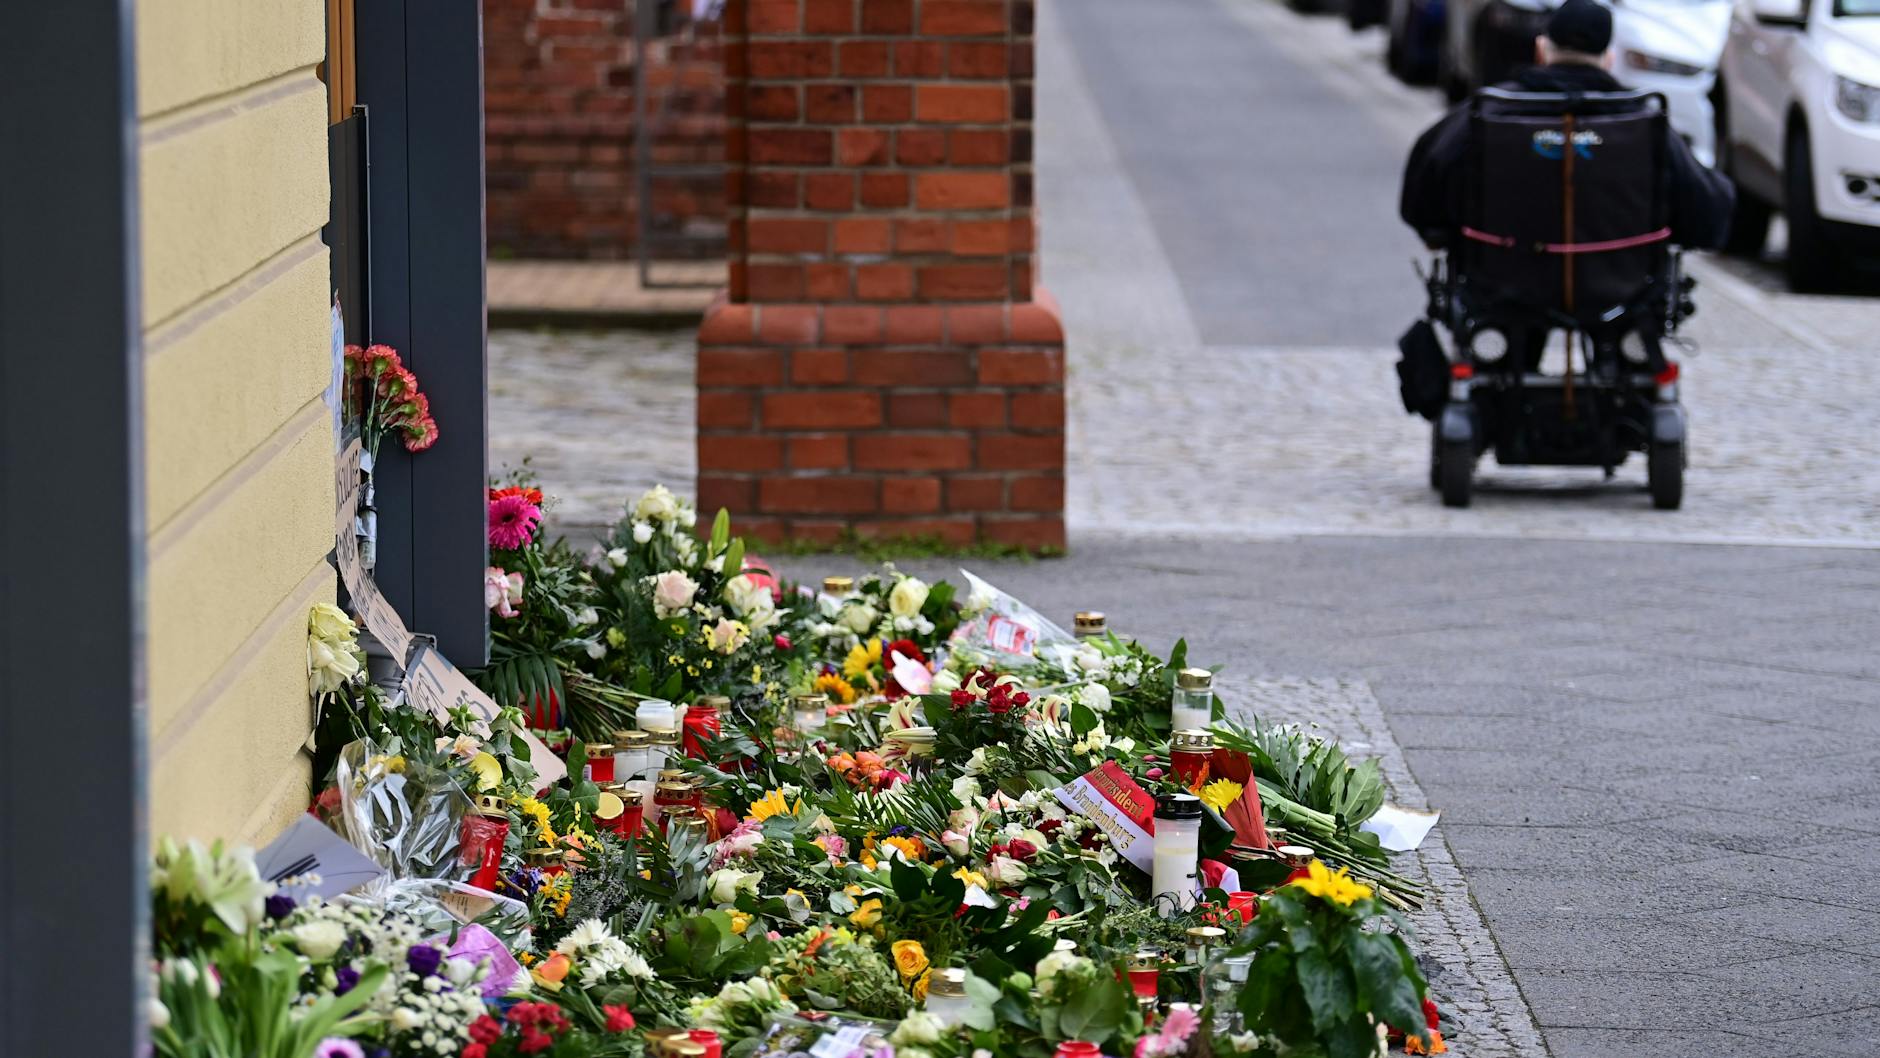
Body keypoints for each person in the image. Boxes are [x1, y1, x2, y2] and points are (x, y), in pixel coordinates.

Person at [1400, 0, 1734, 252]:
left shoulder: (1489, 111)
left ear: (1541, 51)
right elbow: (1708, 209)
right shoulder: (1642, 121)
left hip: (1502, 278)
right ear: (1608, 59)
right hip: (1619, 282)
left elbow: (1423, 186)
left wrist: (1446, 232)